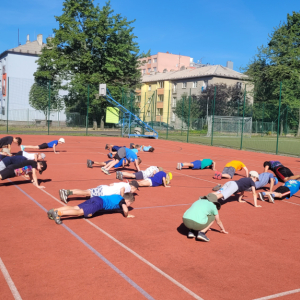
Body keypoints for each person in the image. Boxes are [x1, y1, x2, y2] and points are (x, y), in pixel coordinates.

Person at [47, 193, 135, 225]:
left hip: (96, 198)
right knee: (80, 212)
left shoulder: (118, 196)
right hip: (99, 204)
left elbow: (113, 203)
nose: (128, 205)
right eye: (129, 204)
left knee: (76, 207)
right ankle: (58, 213)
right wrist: (127, 215)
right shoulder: (122, 201)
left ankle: (55, 210)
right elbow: (125, 210)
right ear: (128, 201)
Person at [59, 180, 139, 204]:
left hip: (103, 188)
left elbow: (111, 184)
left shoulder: (124, 183)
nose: (134, 191)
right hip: (104, 191)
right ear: (133, 187)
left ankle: (67, 192)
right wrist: (122, 199)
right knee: (86, 193)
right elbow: (122, 190)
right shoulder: (128, 187)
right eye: (135, 189)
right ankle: (66, 192)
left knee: (86, 193)